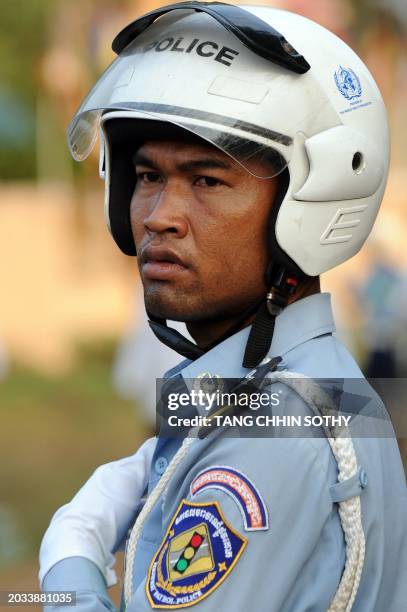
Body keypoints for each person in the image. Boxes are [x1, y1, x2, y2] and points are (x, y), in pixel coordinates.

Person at [39, 3, 407, 611]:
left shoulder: (277, 433)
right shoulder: (306, 386)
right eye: (148, 176)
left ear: (311, 202)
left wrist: (67, 568)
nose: (158, 216)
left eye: (207, 181)